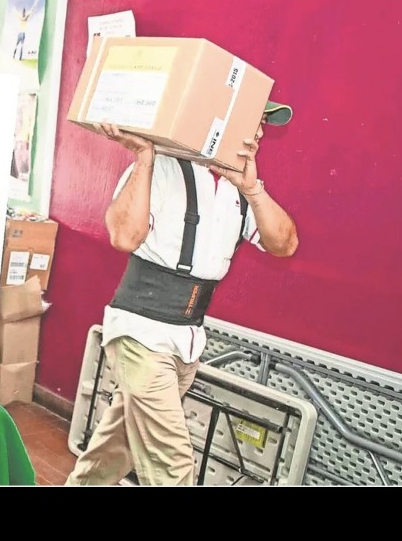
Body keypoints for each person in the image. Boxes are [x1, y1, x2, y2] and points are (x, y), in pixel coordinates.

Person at [64, 101, 299, 486]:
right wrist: (144, 158)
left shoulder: (239, 189)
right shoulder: (162, 167)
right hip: (140, 332)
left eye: (263, 124)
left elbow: (285, 244)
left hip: (187, 337)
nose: (259, 133)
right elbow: (124, 236)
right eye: (253, 120)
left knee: (116, 447)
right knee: (172, 467)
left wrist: (252, 190)